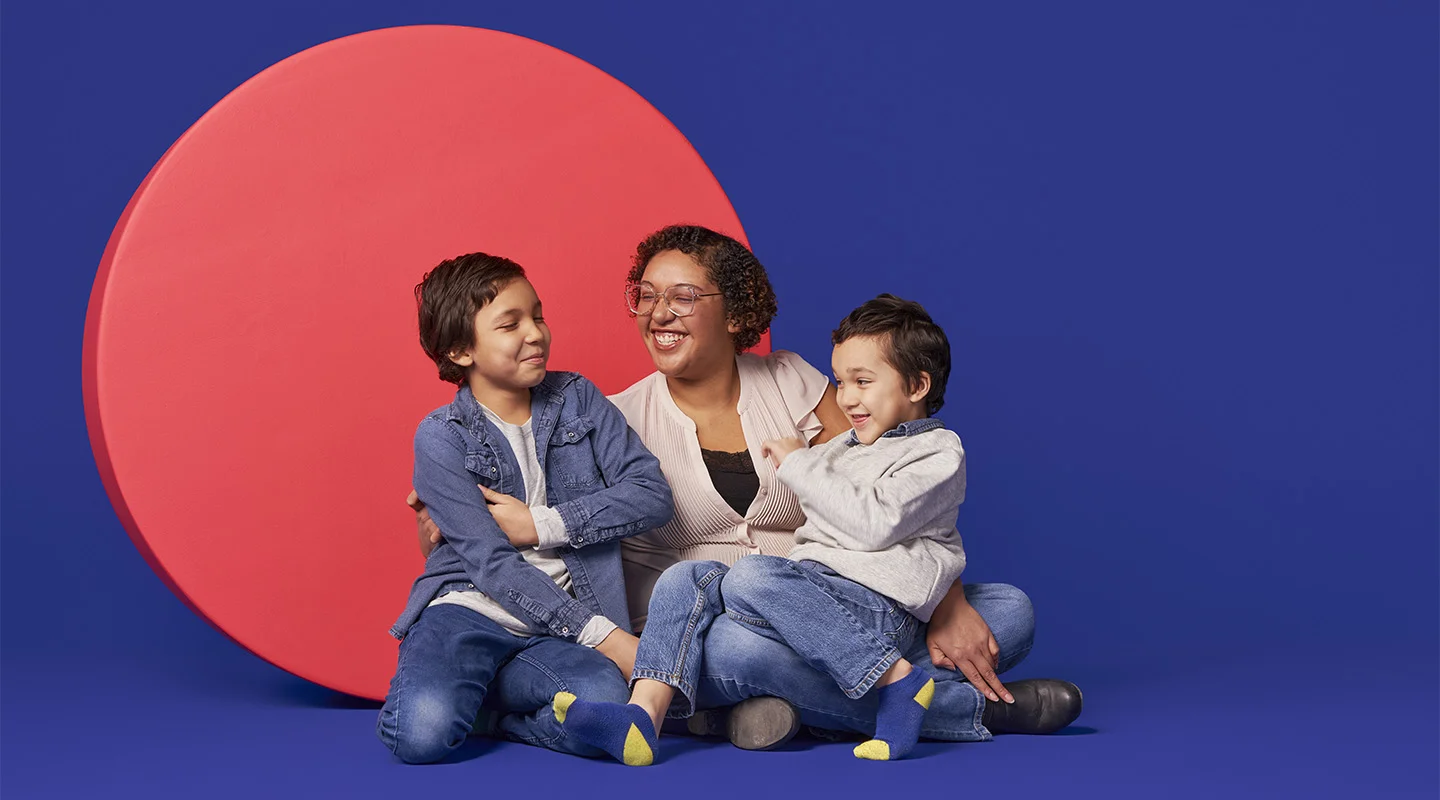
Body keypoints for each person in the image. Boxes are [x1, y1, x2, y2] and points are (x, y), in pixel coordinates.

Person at [415, 226, 1081, 750]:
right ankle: (973, 709)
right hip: (706, 632)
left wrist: (946, 601)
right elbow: (537, 503)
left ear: (735, 314)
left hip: (834, 603)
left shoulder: (794, 379)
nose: (657, 313)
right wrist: (446, 509)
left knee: (1009, 611)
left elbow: (886, 497)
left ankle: (774, 711)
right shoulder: (610, 418)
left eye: (681, 297)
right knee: (739, 651)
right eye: (645, 295)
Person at [553, 294, 992, 765]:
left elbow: (872, 524)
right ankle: (643, 716)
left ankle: (893, 681)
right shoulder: (850, 444)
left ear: (918, 384)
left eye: (862, 382)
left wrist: (801, 464)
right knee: (682, 580)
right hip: (813, 595)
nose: (845, 398)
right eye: (841, 382)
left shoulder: (936, 452)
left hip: (877, 607)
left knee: (750, 580)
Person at [378, 252, 668, 764]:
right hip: (471, 611)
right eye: (510, 324)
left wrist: (543, 524)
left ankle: (492, 711)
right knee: (421, 736)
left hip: (557, 627)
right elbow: (490, 564)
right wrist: (605, 637)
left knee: (608, 703)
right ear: (460, 350)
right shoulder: (441, 437)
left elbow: (651, 493)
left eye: (537, 315)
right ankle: (479, 696)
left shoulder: (578, 398)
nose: (535, 333)